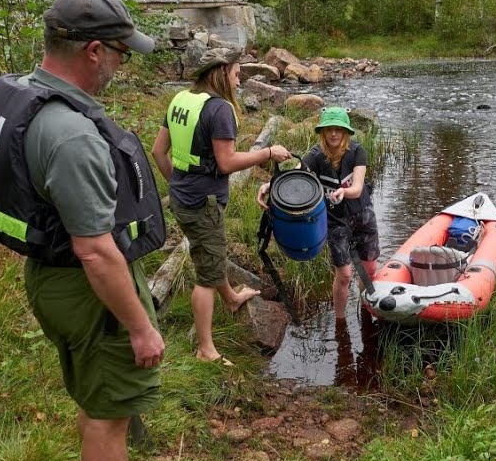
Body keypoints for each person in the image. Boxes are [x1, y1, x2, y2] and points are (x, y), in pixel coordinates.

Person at [0, 0, 172, 461]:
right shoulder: (70, 135)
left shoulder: (25, 93)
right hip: (87, 286)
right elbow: (97, 251)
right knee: (107, 409)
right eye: (120, 52)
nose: (123, 62)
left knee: (97, 393)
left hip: (50, 275)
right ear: (92, 51)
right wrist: (140, 327)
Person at [153, 48, 291, 362]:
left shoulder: (180, 100)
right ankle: (206, 350)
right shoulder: (219, 109)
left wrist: (178, 184)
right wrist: (268, 152)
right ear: (221, 72)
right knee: (205, 275)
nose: (239, 76)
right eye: (236, 71)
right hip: (204, 202)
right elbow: (226, 162)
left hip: (183, 198)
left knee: (210, 252)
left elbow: (158, 152)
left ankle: (229, 298)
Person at [258, 107, 379, 319]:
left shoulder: (358, 151)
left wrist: (344, 191)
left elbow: (358, 187)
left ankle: (364, 309)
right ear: (323, 132)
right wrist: (270, 185)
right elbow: (295, 173)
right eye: (329, 129)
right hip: (334, 220)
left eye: (338, 129)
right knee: (344, 275)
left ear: (345, 132)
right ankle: (340, 321)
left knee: (368, 268)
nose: (334, 134)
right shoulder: (315, 156)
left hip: (362, 214)